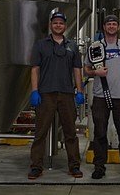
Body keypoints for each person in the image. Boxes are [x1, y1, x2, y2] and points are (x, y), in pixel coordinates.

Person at [28, 10, 85, 179]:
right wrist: (34, 91)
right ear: (50, 25)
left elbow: (77, 70)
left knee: (70, 133)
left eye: (61, 23)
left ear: (65, 26)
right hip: (46, 94)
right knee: (40, 133)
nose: (58, 25)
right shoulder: (41, 45)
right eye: (55, 23)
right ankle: (36, 166)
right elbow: (35, 69)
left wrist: (80, 91)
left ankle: (74, 166)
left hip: (67, 94)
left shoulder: (72, 46)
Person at [84, 14, 120, 180]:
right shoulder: (95, 47)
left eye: (114, 24)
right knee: (100, 133)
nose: (112, 26)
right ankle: (99, 167)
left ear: (118, 27)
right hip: (101, 96)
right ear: (104, 27)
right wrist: (96, 72)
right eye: (109, 24)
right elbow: (86, 68)